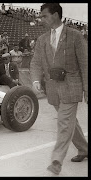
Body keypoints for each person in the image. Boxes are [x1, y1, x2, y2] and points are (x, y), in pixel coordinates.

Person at [30, 3, 88, 175]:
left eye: (44, 16)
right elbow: (35, 62)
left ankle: (56, 160)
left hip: (72, 86)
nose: (41, 19)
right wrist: (34, 80)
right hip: (53, 88)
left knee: (64, 122)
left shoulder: (75, 36)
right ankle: (84, 149)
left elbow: (85, 64)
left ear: (55, 15)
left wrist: (87, 89)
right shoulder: (42, 40)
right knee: (70, 122)